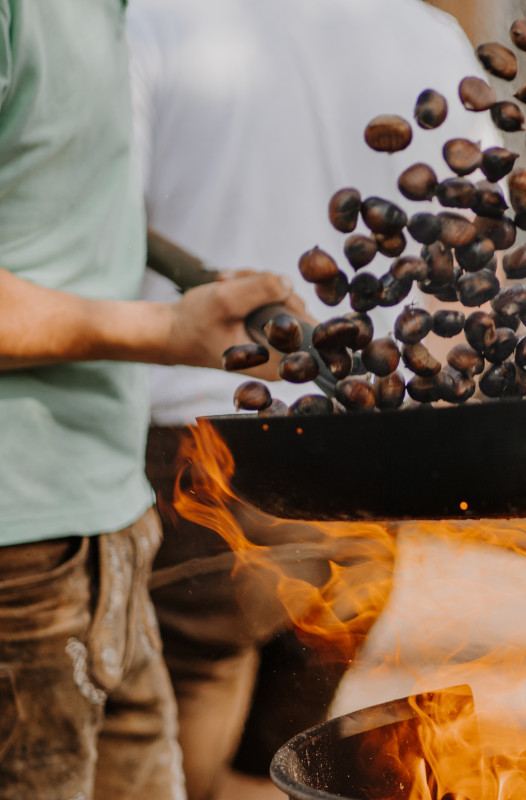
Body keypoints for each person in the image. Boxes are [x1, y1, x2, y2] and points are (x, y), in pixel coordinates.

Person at [126, 1, 499, 797]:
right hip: (373, 437)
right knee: (291, 747)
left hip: (200, 435)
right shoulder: (425, 32)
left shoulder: (146, 21)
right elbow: (472, 257)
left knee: (187, 730)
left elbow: (92, 223)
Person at [0, 1, 300, 798]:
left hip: (109, 521)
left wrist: (193, 278)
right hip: (18, 554)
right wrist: (167, 330)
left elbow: (60, 198)